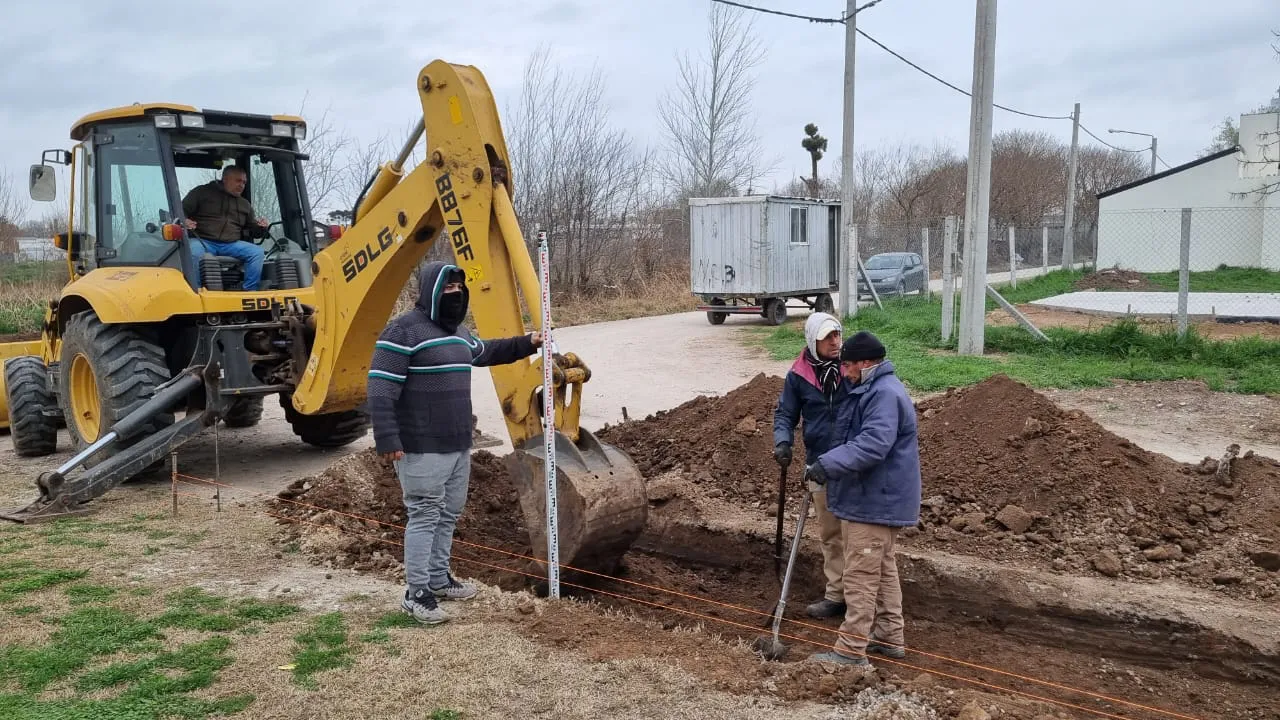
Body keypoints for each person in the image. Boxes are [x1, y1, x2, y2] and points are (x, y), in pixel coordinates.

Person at [367, 261, 544, 625]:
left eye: (459, 288)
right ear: (430, 290)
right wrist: (387, 438)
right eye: (448, 288)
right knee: (425, 514)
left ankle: (438, 578)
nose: (456, 293)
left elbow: (488, 351)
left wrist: (528, 343)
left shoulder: (458, 332)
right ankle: (416, 593)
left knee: (448, 513)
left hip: (458, 442)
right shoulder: (402, 331)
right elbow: (380, 388)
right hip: (420, 445)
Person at [804, 330, 922, 666]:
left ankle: (851, 650)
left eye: (849, 365)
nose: (844, 371)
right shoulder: (873, 389)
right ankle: (889, 636)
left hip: (874, 500)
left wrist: (827, 465)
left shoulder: (883, 393)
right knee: (882, 570)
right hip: (875, 497)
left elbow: (872, 445)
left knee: (860, 575)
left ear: (866, 363)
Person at [772, 311, 848, 619]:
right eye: (827, 337)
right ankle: (837, 595)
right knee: (831, 534)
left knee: (857, 535)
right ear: (812, 340)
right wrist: (783, 442)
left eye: (837, 335)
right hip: (819, 462)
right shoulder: (799, 375)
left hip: (853, 463)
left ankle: (863, 598)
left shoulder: (851, 368)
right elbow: (785, 413)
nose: (835, 341)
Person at [180, 166, 269, 291]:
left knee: (257, 252)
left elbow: (253, 230)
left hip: (231, 244)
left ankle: (250, 291)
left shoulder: (245, 204)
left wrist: (262, 227)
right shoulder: (202, 192)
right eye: (238, 181)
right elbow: (180, 210)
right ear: (225, 179)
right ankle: (196, 290)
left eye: (244, 182)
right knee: (193, 251)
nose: (242, 185)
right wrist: (185, 220)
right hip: (202, 240)